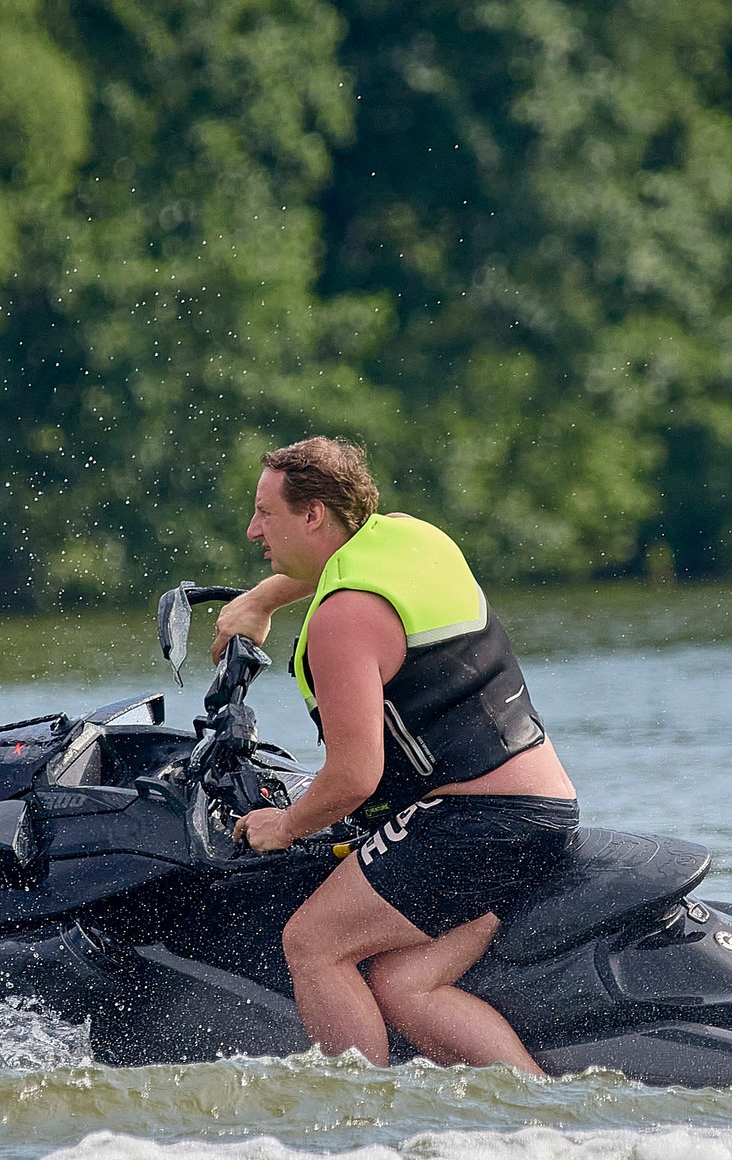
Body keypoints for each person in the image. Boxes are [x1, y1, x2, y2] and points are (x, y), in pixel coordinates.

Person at [215, 437, 576, 1075]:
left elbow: (355, 778)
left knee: (313, 943)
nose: (252, 530)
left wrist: (285, 824)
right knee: (405, 983)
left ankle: (358, 1125)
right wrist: (262, 599)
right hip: (539, 812)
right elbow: (326, 567)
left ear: (312, 515)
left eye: (265, 513)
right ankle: (542, 1106)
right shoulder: (410, 537)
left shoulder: (342, 621)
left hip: (475, 825)